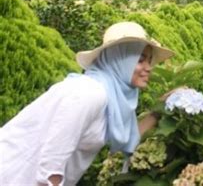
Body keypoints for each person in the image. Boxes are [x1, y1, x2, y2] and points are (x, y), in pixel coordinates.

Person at [0, 21, 175, 186]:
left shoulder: (112, 98)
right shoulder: (89, 93)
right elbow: (50, 164)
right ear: (119, 60)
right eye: (140, 60)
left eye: (149, 60)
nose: (149, 68)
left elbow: (128, 137)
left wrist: (158, 110)